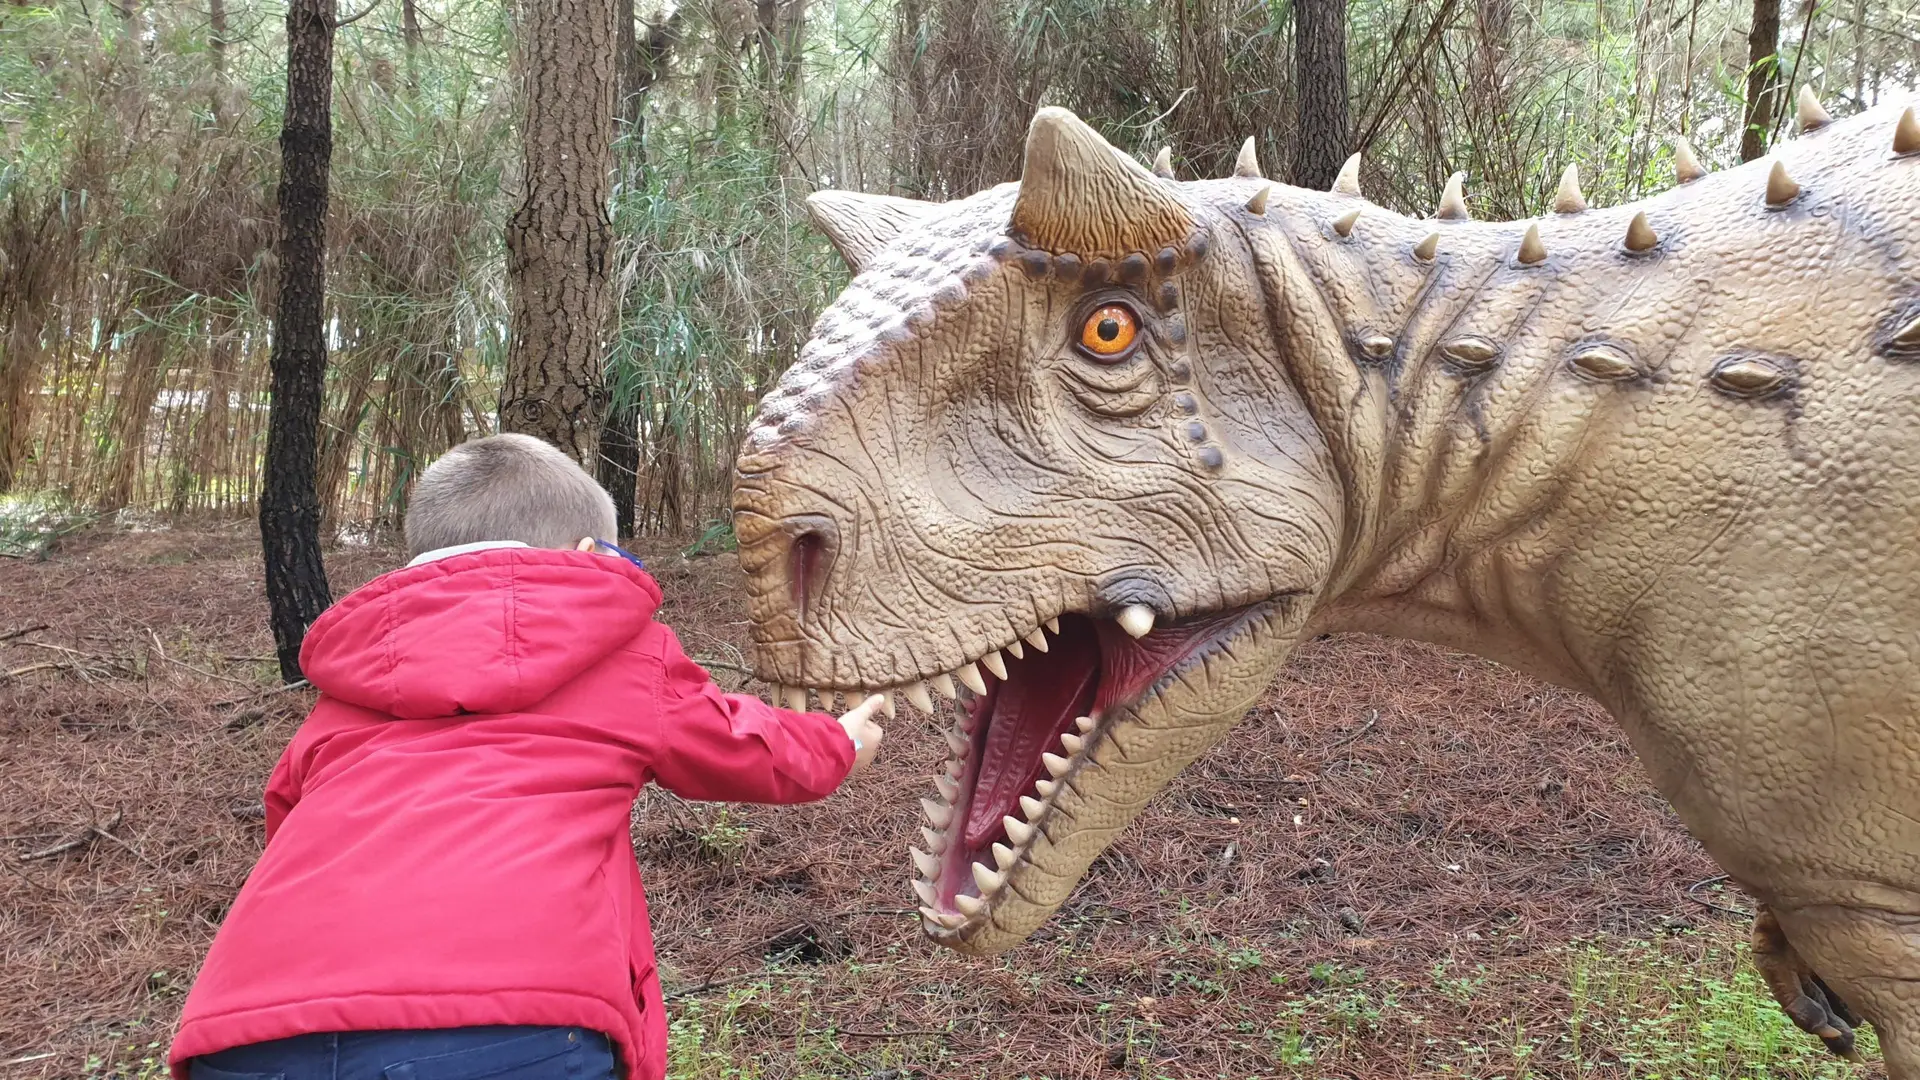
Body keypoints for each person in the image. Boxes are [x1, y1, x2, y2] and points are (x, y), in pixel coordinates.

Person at [169, 433, 884, 1080]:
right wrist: (839, 740)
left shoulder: (349, 689)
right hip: (509, 1025)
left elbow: (286, 816)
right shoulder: (623, 654)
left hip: (250, 1026)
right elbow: (742, 746)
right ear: (586, 559)